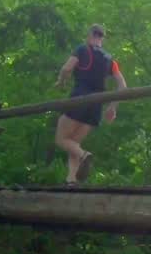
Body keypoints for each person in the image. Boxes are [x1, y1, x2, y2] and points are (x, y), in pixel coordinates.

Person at [54, 24, 128, 185]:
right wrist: (112, 107)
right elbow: (123, 86)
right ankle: (71, 180)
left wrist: (61, 81)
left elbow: (66, 68)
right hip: (96, 106)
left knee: (61, 139)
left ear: (90, 34)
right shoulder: (110, 60)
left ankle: (84, 156)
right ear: (102, 38)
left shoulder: (82, 49)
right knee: (73, 142)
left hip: (79, 99)